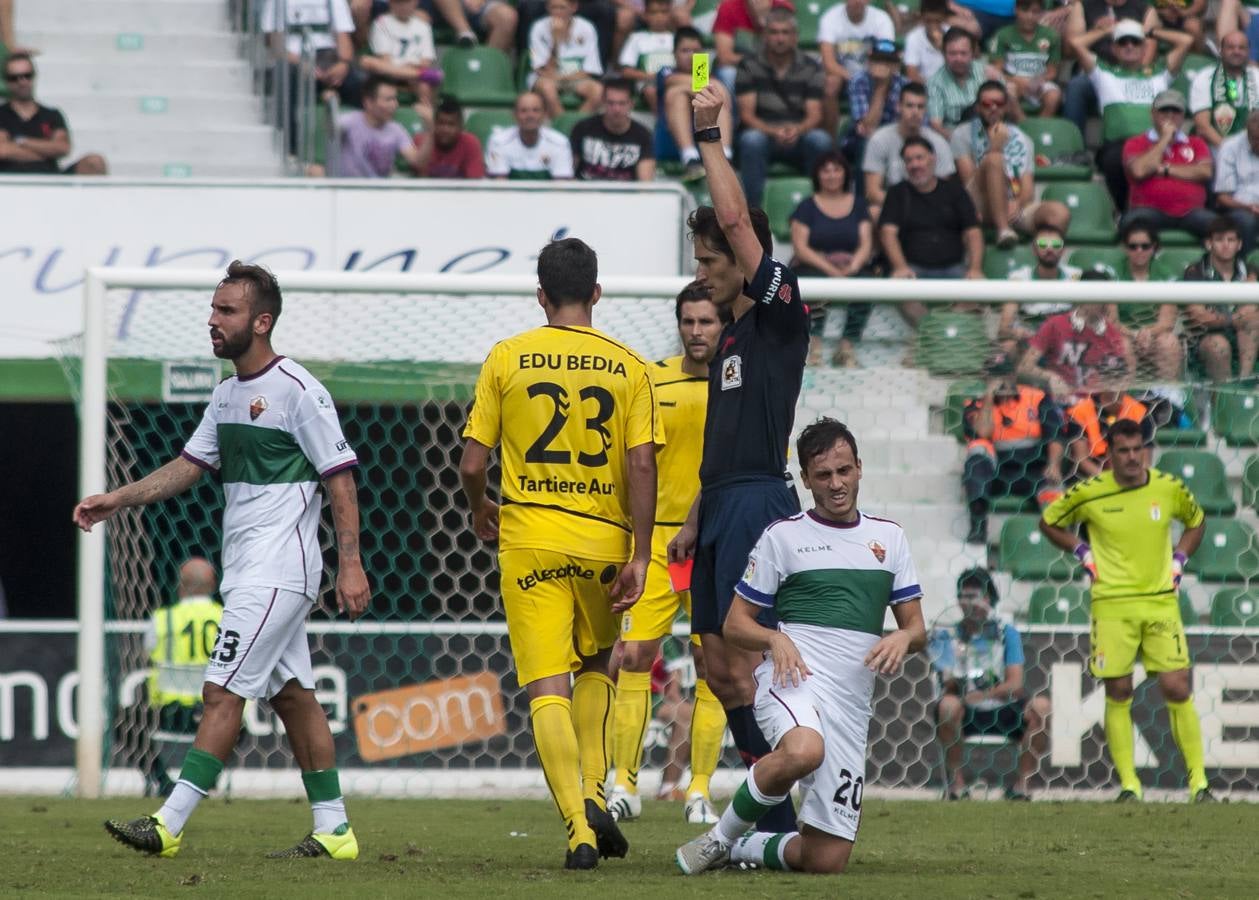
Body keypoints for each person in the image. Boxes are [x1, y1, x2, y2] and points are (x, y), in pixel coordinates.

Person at [77, 261, 371, 859]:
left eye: (226, 311)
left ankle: (168, 824)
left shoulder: (298, 390)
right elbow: (189, 466)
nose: (213, 321)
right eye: (213, 310)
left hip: (278, 569)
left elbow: (341, 481)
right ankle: (335, 828)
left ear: (261, 322)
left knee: (220, 692)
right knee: (293, 696)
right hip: (250, 569)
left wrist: (351, 564)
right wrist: (119, 498)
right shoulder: (226, 394)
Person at [459, 237, 662, 869]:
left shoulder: (507, 357)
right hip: (602, 540)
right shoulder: (630, 366)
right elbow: (641, 465)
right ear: (596, 293)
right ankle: (598, 789)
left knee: (546, 685)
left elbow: (471, 462)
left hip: (531, 537)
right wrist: (640, 552)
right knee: (598, 667)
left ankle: (577, 827)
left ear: (541, 295)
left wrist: (479, 506)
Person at [675, 417, 926, 875]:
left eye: (844, 471)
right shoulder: (782, 536)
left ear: (859, 469)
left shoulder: (889, 539)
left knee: (825, 860)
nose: (836, 484)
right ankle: (717, 839)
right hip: (793, 681)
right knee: (804, 750)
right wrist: (774, 637)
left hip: (851, 705)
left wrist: (902, 637)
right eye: (824, 475)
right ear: (806, 479)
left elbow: (917, 628)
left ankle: (742, 848)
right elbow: (735, 625)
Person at [668, 82, 811, 837]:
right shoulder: (725, 339)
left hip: (758, 503)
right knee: (717, 670)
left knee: (751, 666)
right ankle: (776, 809)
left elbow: (731, 215)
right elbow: (716, 442)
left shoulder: (779, 317)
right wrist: (695, 517)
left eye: (711, 260)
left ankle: (785, 803)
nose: (705, 271)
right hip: (720, 504)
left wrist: (709, 134)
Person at [1039, 419, 1213, 803]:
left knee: (1176, 686)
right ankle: (1130, 785)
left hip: (1160, 601)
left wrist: (1180, 558)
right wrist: (1081, 551)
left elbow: (1196, 521)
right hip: (1112, 604)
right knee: (1118, 689)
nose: (1133, 457)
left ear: (1145, 450)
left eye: (1138, 450)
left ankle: (1199, 783)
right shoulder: (1090, 492)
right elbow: (1049, 521)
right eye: (1124, 451)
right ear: (1111, 454)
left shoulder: (1167, 488)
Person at [607, 282, 729, 827]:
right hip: (656, 544)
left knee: (712, 666)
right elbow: (635, 463)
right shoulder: (654, 379)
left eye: (706, 322)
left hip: (713, 546)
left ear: (723, 325)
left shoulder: (737, 383)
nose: (697, 331)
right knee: (633, 658)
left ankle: (699, 788)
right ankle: (623, 785)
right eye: (689, 322)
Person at [930, 567, 1049, 799]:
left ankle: (1021, 787)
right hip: (967, 711)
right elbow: (948, 687)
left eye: (974, 596)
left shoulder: (1007, 633)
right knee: (946, 707)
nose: (968, 603)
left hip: (1003, 708)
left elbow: (1015, 684)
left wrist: (985, 695)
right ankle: (957, 786)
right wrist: (955, 678)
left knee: (1042, 707)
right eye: (963, 596)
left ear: (988, 599)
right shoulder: (949, 636)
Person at [1070, 17, 1193, 213]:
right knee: (1114, 160)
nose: (1129, 46)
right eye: (1123, 42)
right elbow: (1076, 43)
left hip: (1154, 142)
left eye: (1135, 42)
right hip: (1118, 145)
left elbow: (1186, 41)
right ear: (1114, 48)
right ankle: (1125, 214)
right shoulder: (1103, 73)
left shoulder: (1159, 73)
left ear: (1145, 48)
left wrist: (1150, 32)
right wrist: (1106, 31)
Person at [137, 558, 223, 799]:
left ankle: (162, 780)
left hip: (167, 713)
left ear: (180, 585)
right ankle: (207, 779)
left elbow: (148, 653)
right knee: (238, 720)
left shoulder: (164, 618)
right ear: (214, 584)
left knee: (125, 724)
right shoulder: (225, 617)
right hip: (212, 713)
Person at [951, 80, 1070, 248]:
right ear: (978, 107)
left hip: (1012, 203)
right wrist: (995, 147)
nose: (993, 108)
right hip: (978, 204)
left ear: (1006, 107)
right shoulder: (962, 134)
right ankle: (1003, 230)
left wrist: (1018, 203)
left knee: (1059, 212)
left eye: (999, 103)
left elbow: (1027, 188)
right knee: (994, 159)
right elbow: (969, 179)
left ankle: (1045, 257)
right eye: (987, 104)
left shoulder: (1023, 139)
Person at [961, 352, 1065, 544]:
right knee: (977, 450)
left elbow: (1055, 434)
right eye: (995, 376)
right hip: (997, 473)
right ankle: (978, 525)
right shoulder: (975, 405)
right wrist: (990, 396)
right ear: (986, 379)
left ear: (1013, 376)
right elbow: (983, 433)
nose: (1002, 381)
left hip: (1034, 469)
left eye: (1005, 375)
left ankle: (1057, 536)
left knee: (1054, 485)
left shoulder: (1037, 398)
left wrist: (1054, 465)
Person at [734, 8, 832, 208]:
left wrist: (796, 130)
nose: (780, 38)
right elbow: (746, 115)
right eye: (774, 32)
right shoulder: (749, 65)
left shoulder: (811, 66)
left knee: (820, 140)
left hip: (799, 134)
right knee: (751, 141)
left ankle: (820, 208)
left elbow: (815, 115)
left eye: (785, 32)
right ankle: (754, 212)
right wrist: (774, 131)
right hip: (764, 133)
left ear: (795, 37)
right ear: (765, 36)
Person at [790, 151, 875, 368]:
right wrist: (831, 270)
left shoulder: (858, 205)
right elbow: (801, 248)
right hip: (815, 265)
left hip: (850, 265)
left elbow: (866, 243)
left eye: (836, 170)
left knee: (868, 283)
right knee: (813, 281)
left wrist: (853, 266)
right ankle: (815, 344)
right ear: (817, 175)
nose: (831, 175)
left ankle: (847, 345)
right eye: (825, 170)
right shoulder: (806, 207)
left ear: (845, 174)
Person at [880, 135, 984, 294]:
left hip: (954, 268)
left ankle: (944, 319)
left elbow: (973, 232)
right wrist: (900, 267)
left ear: (933, 158)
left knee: (977, 292)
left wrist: (975, 269)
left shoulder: (955, 191)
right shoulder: (896, 193)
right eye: (909, 160)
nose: (914, 165)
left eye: (919, 158)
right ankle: (927, 320)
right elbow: (888, 233)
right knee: (898, 291)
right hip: (913, 269)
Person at [1120, 89, 1215, 240]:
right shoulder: (1136, 143)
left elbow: (1205, 172)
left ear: (1183, 116)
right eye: (1164, 110)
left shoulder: (1196, 143)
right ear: (1153, 113)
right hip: (1150, 210)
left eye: (1175, 111)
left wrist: (1165, 169)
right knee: (1131, 223)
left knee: (1221, 229)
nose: (1170, 116)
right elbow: (1139, 171)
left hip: (1191, 212)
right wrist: (1164, 139)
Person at [862, 81, 956, 224]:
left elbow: (944, 190)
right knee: (874, 212)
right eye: (909, 106)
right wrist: (907, 205)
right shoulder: (879, 139)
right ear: (898, 107)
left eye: (920, 107)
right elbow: (873, 192)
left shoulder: (938, 143)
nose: (915, 112)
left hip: (930, 207)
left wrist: (920, 206)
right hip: (894, 205)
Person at [1182, 215, 1259, 382]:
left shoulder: (1250, 271)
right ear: (1209, 243)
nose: (1225, 245)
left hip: (1245, 337)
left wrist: (1226, 317)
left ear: (1239, 244)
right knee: (1219, 346)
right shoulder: (1195, 272)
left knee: (1253, 322)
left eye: (1231, 240)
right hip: (1206, 339)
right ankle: (1224, 396)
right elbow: (1199, 316)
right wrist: (1233, 319)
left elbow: (1252, 312)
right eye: (1219, 240)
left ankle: (1243, 382)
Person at [0, 53, 107, 174]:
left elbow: (63, 147)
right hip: (10, 181)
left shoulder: (52, 115)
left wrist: (21, 142)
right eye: (14, 77)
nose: (22, 81)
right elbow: (3, 150)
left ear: (34, 76)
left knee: (94, 162)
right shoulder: (2, 114)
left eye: (27, 76)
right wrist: (47, 152)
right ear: (6, 81)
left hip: (51, 178)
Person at [1062, 0, 1156, 137]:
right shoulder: (1082, 6)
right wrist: (1098, 30)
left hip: (1129, 74)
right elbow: (1070, 50)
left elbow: (1148, 52)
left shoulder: (1145, 9)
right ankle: (1072, 145)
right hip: (1094, 73)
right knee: (1076, 86)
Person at [1018, 290, 1134, 401]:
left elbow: (1123, 381)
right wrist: (1050, 377)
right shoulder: (1055, 324)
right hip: (1056, 401)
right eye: (1097, 298)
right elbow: (1024, 366)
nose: (1102, 305)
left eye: (1105, 300)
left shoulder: (1114, 336)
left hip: (1094, 405)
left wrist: (1101, 388)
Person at [1109, 223, 1184, 385]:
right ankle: (1125, 399)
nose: (1139, 251)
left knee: (1169, 342)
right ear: (1124, 247)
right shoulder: (1112, 274)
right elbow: (1112, 321)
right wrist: (1134, 335)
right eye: (1133, 246)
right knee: (1123, 344)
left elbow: (1167, 322)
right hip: (1123, 334)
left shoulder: (1166, 275)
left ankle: (1170, 398)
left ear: (1154, 247)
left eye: (1145, 246)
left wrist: (1147, 333)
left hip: (1154, 335)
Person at [656, 27, 735, 178]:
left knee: (715, 100)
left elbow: (721, 96)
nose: (691, 56)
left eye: (696, 51)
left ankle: (726, 156)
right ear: (674, 53)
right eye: (685, 51)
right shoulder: (666, 72)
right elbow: (673, 80)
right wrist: (708, 85)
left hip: (710, 141)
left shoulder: (713, 75)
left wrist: (704, 82)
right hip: (673, 143)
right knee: (676, 93)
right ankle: (690, 158)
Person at [263, 0, 364, 113]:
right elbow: (275, 45)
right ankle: (289, 129)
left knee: (359, 83)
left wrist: (343, 64)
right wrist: (302, 64)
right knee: (285, 80)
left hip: (327, 57)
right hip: (294, 60)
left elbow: (343, 35)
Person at [998, 223, 1082, 351]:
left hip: (1065, 338)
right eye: (1043, 244)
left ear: (1063, 249)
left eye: (1056, 245)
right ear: (1033, 249)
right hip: (1029, 338)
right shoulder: (1019, 278)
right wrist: (1018, 333)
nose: (1049, 249)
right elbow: (1003, 329)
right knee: (1008, 345)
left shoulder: (1076, 276)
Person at [818, 0, 897, 135]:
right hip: (844, 77)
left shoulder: (881, 19)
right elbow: (828, 62)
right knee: (831, 83)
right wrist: (856, 78)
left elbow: (887, 56)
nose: (857, 1)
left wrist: (867, 77)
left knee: (885, 76)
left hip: (872, 76)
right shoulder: (830, 18)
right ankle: (831, 145)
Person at [1064, 364, 1153, 479]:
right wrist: (1109, 481)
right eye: (1112, 380)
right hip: (1090, 477)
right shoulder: (1080, 411)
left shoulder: (1140, 412)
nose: (1117, 386)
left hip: (1130, 475)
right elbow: (1081, 460)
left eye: (1121, 380)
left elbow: (1145, 462)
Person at [321, 77, 420, 178]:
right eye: (389, 99)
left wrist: (430, 129)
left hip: (379, 191)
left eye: (395, 99)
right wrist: (329, 107)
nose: (395, 104)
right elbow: (330, 129)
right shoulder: (350, 121)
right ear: (368, 102)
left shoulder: (396, 129)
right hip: (349, 190)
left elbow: (416, 160)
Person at [529, 0, 604, 119]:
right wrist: (555, 42)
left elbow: (590, 70)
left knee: (598, 91)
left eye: (562, 8)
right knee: (547, 88)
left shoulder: (587, 28)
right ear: (548, 8)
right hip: (547, 78)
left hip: (577, 78)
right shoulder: (538, 27)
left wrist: (566, 77)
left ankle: (576, 125)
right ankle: (563, 124)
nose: (557, 12)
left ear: (573, 7)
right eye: (553, 8)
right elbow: (541, 70)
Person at [362, 0, 440, 114]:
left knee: (425, 84)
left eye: (406, 2)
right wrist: (406, 68)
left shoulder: (424, 26)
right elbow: (385, 60)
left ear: (415, 2)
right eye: (398, 2)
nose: (403, 6)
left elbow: (426, 62)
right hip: (389, 73)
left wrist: (409, 70)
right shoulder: (381, 23)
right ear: (391, 3)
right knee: (368, 62)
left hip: (413, 76)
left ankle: (426, 114)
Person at [570, 78, 656, 181]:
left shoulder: (643, 136)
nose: (616, 109)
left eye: (622, 103)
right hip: (586, 193)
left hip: (625, 195)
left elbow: (645, 184)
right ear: (603, 103)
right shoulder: (583, 128)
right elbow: (569, 171)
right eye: (611, 103)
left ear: (631, 104)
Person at [988, 0, 1062, 117]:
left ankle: (1039, 127)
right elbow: (997, 70)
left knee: (1054, 96)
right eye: (1024, 10)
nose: (1029, 16)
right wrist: (1015, 80)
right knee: (1009, 93)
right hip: (1012, 81)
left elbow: (1052, 72)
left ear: (1042, 13)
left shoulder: (1051, 36)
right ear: (1016, 10)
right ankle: (1024, 126)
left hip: (1040, 82)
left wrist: (1037, 80)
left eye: (1035, 12)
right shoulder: (1003, 35)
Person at [844, 38, 913, 162]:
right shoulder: (858, 81)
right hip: (861, 140)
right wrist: (881, 87)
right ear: (869, 62)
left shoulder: (905, 85)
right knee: (868, 142)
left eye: (888, 62)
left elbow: (911, 121)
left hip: (897, 134)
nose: (883, 66)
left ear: (897, 66)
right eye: (878, 60)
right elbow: (867, 126)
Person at [1189, 31, 1259, 152]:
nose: (1236, 51)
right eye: (1231, 47)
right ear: (1221, 50)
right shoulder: (1205, 77)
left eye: (1241, 48)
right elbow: (1202, 126)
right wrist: (1231, 152)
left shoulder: (1256, 76)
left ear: (1248, 52)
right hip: (1216, 150)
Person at [710, 0, 796, 97]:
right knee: (729, 74)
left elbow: (789, 48)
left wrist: (764, 21)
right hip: (738, 66)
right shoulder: (729, 7)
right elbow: (724, 57)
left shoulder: (783, 7)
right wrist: (758, 62)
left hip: (773, 65)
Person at [485, 91, 574, 179]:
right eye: (523, 111)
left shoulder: (559, 143)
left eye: (536, 110)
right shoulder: (499, 142)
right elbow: (500, 185)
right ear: (514, 115)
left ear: (544, 114)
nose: (530, 115)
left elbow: (561, 185)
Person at [926, 28, 992, 138]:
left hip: (990, 134)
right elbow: (936, 125)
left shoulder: (987, 73)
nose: (958, 58)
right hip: (953, 138)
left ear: (972, 52)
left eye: (963, 53)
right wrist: (961, 143)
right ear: (943, 53)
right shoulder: (934, 83)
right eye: (953, 53)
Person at [905, 0, 983, 84]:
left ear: (944, 18)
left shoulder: (952, 32)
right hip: (925, 86)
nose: (933, 25)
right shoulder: (914, 37)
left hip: (953, 83)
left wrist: (943, 47)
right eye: (928, 21)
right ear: (922, 18)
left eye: (937, 21)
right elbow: (911, 73)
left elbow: (975, 56)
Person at [617, 0, 676, 110]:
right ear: (645, 15)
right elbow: (625, 72)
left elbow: (701, 66)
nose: (659, 17)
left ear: (670, 13)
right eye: (654, 12)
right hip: (648, 84)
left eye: (664, 12)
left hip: (676, 83)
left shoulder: (679, 38)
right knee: (651, 91)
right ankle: (662, 124)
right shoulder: (636, 38)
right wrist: (656, 77)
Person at [1214, 110, 1259, 255]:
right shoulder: (1230, 147)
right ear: (1247, 131)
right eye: (1255, 139)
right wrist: (1248, 207)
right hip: (1240, 208)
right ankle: (1245, 271)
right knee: (1246, 222)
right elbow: (1223, 197)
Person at [412, 95, 486, 178]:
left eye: (451, 124)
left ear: (461, 127)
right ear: (434, 123)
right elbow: (418, 173)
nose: (445, 129)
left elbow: (475, 182)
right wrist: (430, 135)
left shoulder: (471, 143)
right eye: (441, 123)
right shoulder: (422, 141)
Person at [426, 0, 518, 53]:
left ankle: (486, 66)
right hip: (441, 6)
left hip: (482, 6)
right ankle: (466, 34)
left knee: (506, 17)